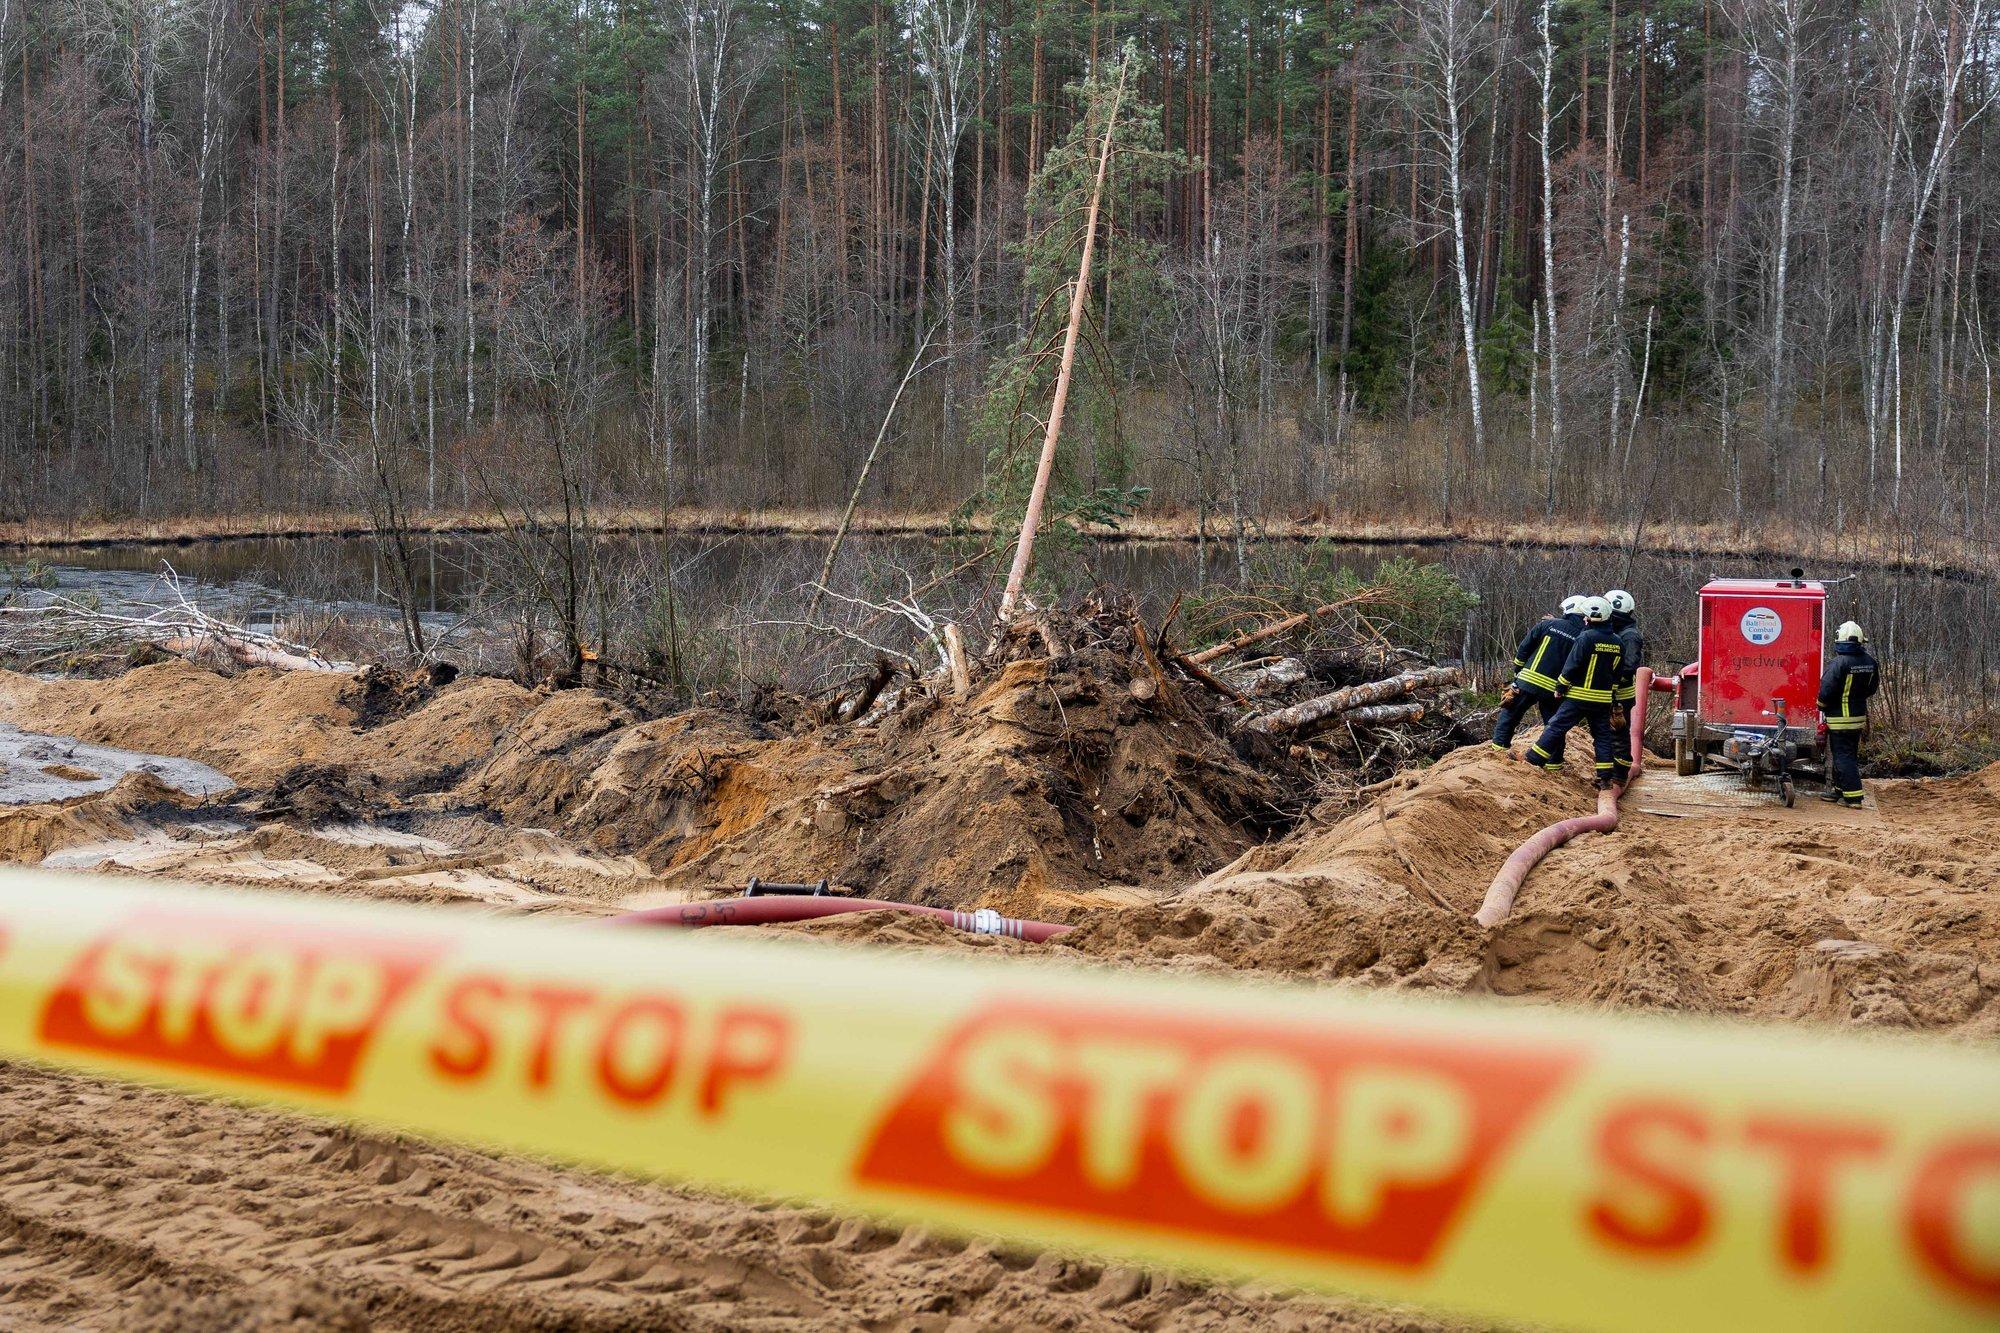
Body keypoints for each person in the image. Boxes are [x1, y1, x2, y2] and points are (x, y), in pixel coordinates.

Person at [1527, 597, 1626, 788]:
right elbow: (1617, 675)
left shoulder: (1585, 638)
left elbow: (1571, 666)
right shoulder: (1618, 642)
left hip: (1578, 697)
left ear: (1588, 618)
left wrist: (1560, 687)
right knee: (1602, 736)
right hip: (1603, 700)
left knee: (1556, 727)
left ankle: (1533, 760)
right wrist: (1612, 698)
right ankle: (1605, 779)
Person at [1491, 595, 1586, 755]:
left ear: (1569, 609)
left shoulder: (1548, 624)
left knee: (1510, 714)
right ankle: (1554, 763)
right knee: (1553, 727)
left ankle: (1499, 751)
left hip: (1528, 681)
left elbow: (1523, 649)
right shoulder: (1585, 636)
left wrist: (1517, 674)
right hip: (1555, 689)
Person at [1818, 621, 1879, 808]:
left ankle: (1853, 798)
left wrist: (1821, 706)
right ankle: (1840, 790)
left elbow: (1826, 691)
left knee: (1843, 757)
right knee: (1848, 754)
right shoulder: (1870, 662)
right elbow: (1872, 688)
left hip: (1839, 719)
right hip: (1858, 717)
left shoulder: (1839, 663)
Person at [1604, 589, 1643, 785]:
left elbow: (1629, 667)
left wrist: (1607, 679)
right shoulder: (1619, 631)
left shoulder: (1629, 636)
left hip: (1620, 695)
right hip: (1611, 693)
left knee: (1618, 733)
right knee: (1609, 733)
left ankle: (1619, 775)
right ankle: (1610, 773)